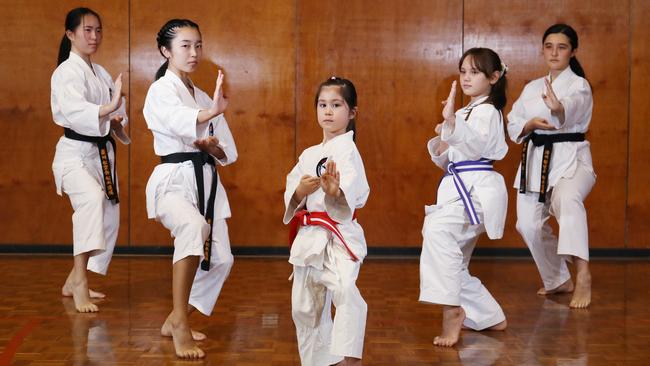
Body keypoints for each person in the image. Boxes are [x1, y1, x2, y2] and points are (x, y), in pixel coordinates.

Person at [143, 18, 237, 359]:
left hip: (207, 181)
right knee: (193, 227)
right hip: (173, 180)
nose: (193, 52)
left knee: (222, 259)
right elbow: (179, 122)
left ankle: (176, 317)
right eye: (185, 45)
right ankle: (180, 322)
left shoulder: (200, 93)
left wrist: (215, 149)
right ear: (165, 51)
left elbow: (229, 150)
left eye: (197, 45)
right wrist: (209, 112)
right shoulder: (160, 90)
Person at [419, 48, 509, 347]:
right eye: (463, 71)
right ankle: (489, 316)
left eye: (475, 72)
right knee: (453, 261)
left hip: (478, 192)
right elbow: (451, 160)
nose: (467, 77)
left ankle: (452, 310)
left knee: (437, 229)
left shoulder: (489, 112)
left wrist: (454, 128)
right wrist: (445, 137)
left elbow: (477, 146)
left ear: (494, 77)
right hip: (458, 188)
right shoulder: (464, 111)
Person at [507, 24, 594, 309]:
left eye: (562, 47)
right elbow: (513, 121)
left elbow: (571, 107)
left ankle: (582, 275)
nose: (554, 52)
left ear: (573, 52)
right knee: (527, 225)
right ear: (543, 49)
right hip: (536, 159)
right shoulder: (532, 87)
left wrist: (558, 108)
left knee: (568, 201)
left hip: (573, 159)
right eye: (549, 46)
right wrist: (528, 124)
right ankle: (558, 279)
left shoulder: (579, 85)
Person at [284, 77, 369, 365]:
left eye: (336, 105)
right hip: (309, 238)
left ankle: (349, 356)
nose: (328, 111)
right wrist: (300, 191)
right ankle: (320, 360)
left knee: (345, 289)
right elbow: (292, 191)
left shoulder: (349, 151)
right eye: (322, 105)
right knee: (304, 306)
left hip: (339, 234)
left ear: (352, 112)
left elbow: (355, 193)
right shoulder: (308, 154)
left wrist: (336, 193)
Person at [51, 7, 130, 313]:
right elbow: (73, 112)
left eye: (98, 30)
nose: (94, 36)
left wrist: (117, 120)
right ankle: (80, 282)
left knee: (108, 211)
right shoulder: (65, 72)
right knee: (92, 201)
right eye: (87, 30)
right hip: (74, 155)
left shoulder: (102, 73)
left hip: (101, 154)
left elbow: (112, 117)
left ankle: (74, 278)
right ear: (70, 34)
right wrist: (108, 107)